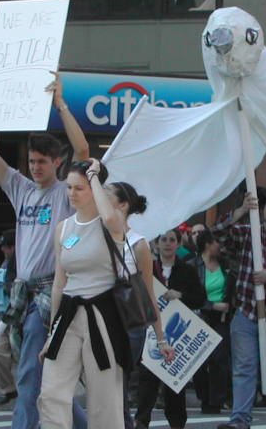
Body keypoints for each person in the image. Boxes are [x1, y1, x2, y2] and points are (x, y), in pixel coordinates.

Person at [0, 71, 89, 429]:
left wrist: (61, 105)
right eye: (31, 162)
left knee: (28, 372)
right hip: (22, 293)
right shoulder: (21, 188)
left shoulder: (66, 193)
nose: (35, 167)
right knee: (37, 376)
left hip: (48, 293)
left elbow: (85, 152)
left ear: (57, 162)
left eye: (41, 161)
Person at [37, 159, 131, 427]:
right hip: (68, 314)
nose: (71, 194)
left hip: (103, 315)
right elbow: (59, 282)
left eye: (79, 188)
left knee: (104, 400)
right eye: (69, 188)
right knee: (52, 392)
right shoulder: (63, 228)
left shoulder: (113, 222)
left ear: (95, 189)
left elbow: (111, 217)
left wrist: (95, 175)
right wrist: (51, 332)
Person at [214, 192, 266, 429]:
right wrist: (240, 211)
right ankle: (240, 420)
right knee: (244, 366)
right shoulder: (248, 233)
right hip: (247, 311)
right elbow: (217, 234)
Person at [102, 181, 175, 429]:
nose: (99, 197)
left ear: (123, 205)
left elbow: (148, 294)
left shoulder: (138, 243)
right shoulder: (92, 235)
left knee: (116, 388)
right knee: (100, 389)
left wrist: (161, 338)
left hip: (127, 324)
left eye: (106, 195)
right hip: (95, 319)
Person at [134, 229, 206, 429]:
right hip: (150, 332)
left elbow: (200, 298)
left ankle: (177, 423)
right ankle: (142, 421)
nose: (167, 243)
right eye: (163, 240)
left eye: (171, 240)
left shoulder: (187, 270)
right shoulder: (148, 268)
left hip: (177, 332)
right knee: (147, 380)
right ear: (156, 244)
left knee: (176, 382)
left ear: (178, 244)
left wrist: (180, 295)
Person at [191, 230, 232, 415]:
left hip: (222, 318)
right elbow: (190, 296)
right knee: (200, 359)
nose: (219, 245)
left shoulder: (226, 265)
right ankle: (204, 396)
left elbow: (233, 287)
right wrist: (212, 305)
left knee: (219, 358)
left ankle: (216, 400)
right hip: (202, 315)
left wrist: (228, 305)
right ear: (207, 244)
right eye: (216, 242)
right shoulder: (192, 266)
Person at [0, 228, 19, 405]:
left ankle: (20, 387)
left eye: (7, 246)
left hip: (17, 315)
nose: (3, 250)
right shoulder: (3, 265)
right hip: (1, 315)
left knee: (21, 354)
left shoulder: (25, 264)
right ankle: (8, 388)